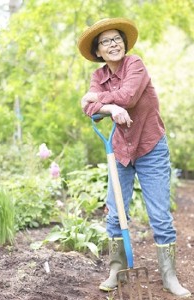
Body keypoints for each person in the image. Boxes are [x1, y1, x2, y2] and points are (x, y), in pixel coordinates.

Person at [77, 17, 191, 297]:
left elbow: (127, 97)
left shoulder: (135, 65)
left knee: (160, 215)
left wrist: (102, 101)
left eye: (117, 39)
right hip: (119, 150)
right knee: (115, 213)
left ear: (124, 44)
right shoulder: (98, 77)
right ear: (98, 52)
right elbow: (89, 112)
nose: (113, 44)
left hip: (151, 147)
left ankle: (169, 276)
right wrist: (108, 107)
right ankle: (116, 269)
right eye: (105, 41)